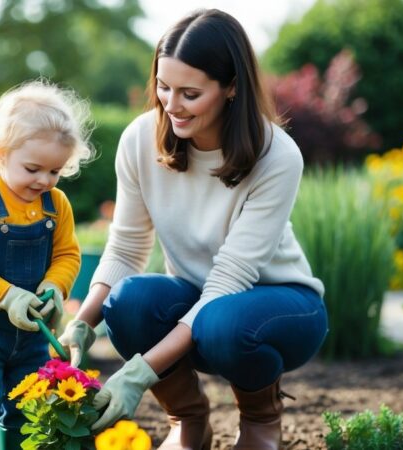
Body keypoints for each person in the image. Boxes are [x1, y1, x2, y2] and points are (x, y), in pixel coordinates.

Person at [57, 9, 328, 450]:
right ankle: (187, 421)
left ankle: (261, 421)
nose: (171, 103)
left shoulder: (277, 156)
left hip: (280, 310)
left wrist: (140, 372)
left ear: (231, 87)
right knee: (128, 304)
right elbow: (126, 249)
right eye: (163, 86)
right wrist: (83, 322)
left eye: (190, 93)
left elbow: (228, 282)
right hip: (199, 306)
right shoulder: (140, 140)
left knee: (224, 323)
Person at [0, 80, 93, 450]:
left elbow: (67, 255)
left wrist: (54, 288)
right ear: (1, 153)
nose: (44, 180)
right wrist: (8, 296)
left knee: (23, 404)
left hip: (32, 328)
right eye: (33, 169)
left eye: (55, 171)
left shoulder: (56, 205)